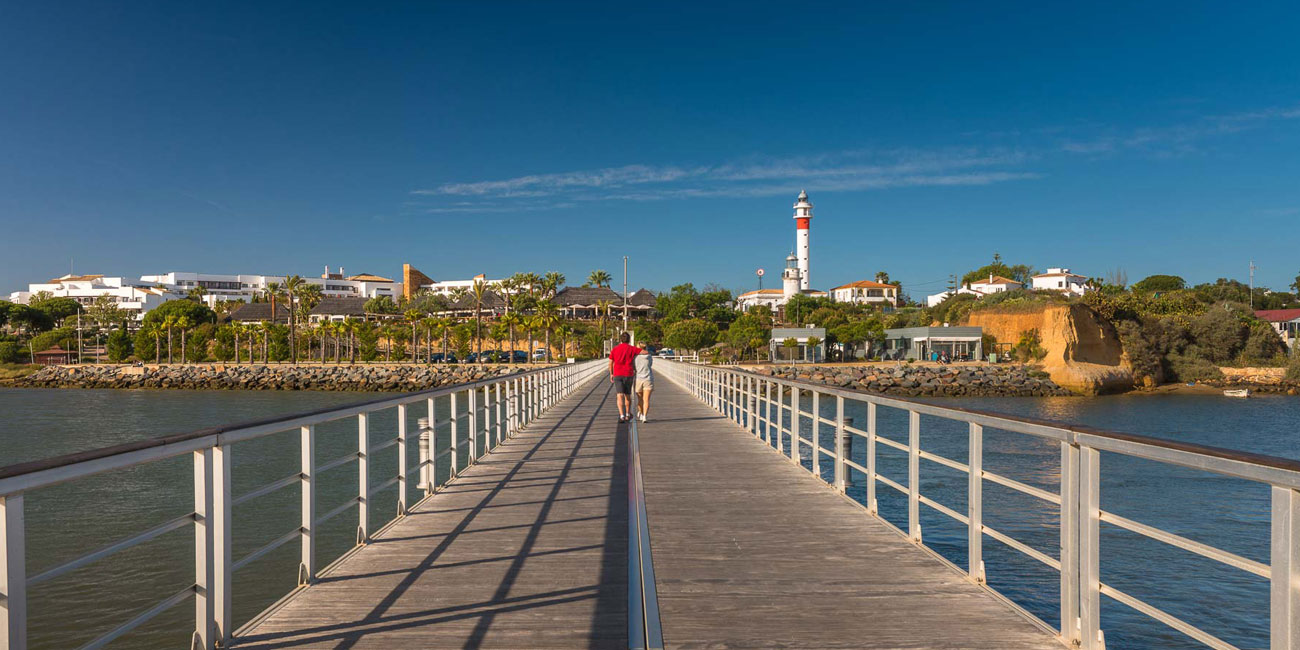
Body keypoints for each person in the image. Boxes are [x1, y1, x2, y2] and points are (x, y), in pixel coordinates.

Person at [608, 332, 641, 422]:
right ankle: (627, 414)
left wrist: (611, 373)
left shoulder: (615, 349)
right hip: (628, 374)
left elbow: (610, 362)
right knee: (627, 395)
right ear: (629, 340)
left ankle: (621, 416)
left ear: (620, 340)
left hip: (617, 374)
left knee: (619, 395)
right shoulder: (632, 349)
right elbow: (644, 352)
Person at [634, 344, 654, 422]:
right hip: (648, 379)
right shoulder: (649, 357)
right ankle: (645, 416)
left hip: (639, 379)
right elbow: (650, 365)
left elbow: (634, 367)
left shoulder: (635, 357)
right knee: (646, 400)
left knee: (640, 399)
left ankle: (641, 413)